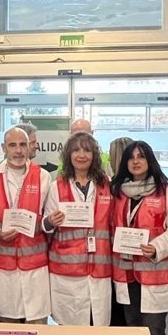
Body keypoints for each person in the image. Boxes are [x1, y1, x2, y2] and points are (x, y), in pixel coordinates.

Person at [110, 140, 168, 335]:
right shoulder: (117, 190)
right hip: (126, 273)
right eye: (131, 157)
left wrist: (156, 247)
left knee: (154, 331)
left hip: (155, 273)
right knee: (132, 330)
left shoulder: (164, 190)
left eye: (141, 156)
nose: (136, 161)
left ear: (149, 160)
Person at [0, 126, 52, 323]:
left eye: (23, 145)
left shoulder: (43, 176)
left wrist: (47, 222)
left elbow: (49, 216)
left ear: (30, 147)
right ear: (3, 148)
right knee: (6, 330)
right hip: (2, 267)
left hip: (35, 266)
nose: (18, 150)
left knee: (38, 328)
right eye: (12, 145)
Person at [45, 131, 113, 325]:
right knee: (69, 330)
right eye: (76, 150)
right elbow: (46, 226)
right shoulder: (56, 186)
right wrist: (51, 221)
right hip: (66, 271)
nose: (81, 155)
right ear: (68, 155)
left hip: (99, 269)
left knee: (97, 328)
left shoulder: (107, 185)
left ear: (94, 155)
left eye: (87, 150)